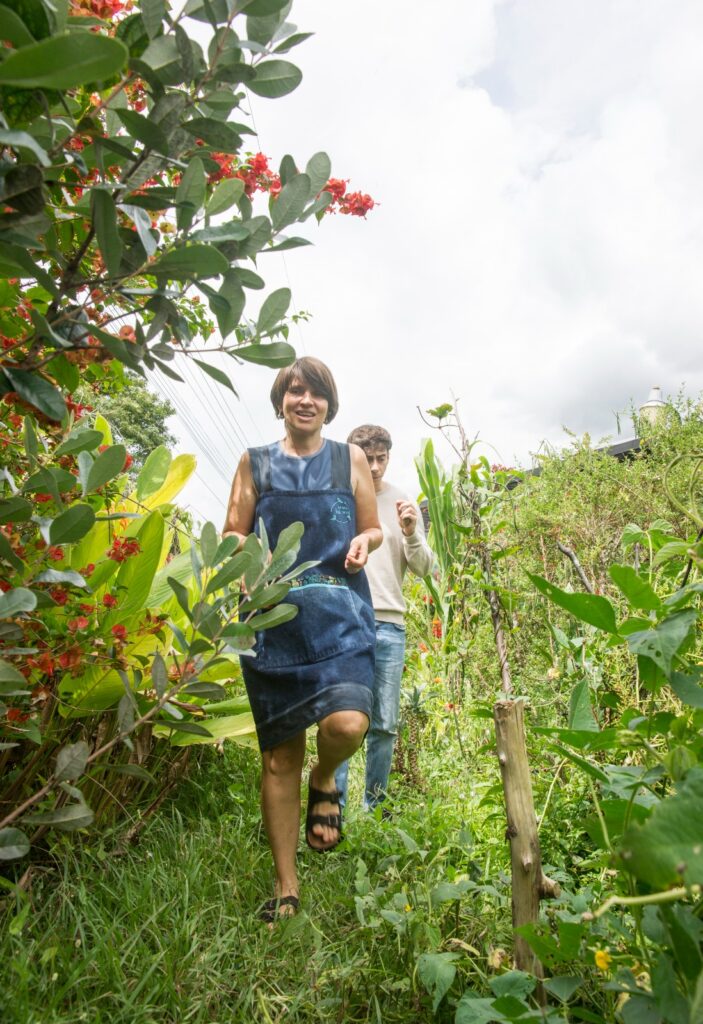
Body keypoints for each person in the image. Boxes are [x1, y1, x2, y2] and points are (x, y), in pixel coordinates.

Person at [222, 357, 382, 922]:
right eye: (295, 392)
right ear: (281, 401)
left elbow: (371, 524)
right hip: (273, 623)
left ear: (328, 404)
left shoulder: (350, 458)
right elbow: (233, 534)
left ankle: (326, 778)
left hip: (341, 614)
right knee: (278, 757)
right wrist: (244, 572)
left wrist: (367, 540)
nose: (305, 400)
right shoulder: (255, 463)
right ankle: (286, 887)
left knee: (348, 722)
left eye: (315, 392)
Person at [336, 425, 434, 811]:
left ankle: (374, 808)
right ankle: (336, 810)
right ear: (352, 458)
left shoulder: (401, 503)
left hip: (390, 624)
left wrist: (411, 533)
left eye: (381, 459)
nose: (374, 467)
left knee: (385, 725)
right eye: (367, 459)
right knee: (341, 722)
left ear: (388, 457)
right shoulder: (339, 499)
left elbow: (425, 568)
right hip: (344, 620)